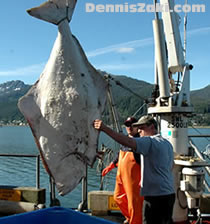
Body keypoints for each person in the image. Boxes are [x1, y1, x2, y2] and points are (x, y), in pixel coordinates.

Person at [93, 115, 175, 224]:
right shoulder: (167, 143)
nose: (139, 131)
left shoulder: (149, 142)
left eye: (142, 128)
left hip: (154, 196)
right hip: (169, 194)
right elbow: (171, 165)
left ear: (152, 127)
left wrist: (104, 128)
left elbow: (128, 142)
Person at [102, 117, 144, 224]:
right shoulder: (124, 139)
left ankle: (135, 221)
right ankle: (129, 217)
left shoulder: (140, 141)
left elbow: (145, 162)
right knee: (118, 197)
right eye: (127, 124)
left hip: (134, 179)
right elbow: (118, 156)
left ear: (137, 126)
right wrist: (110, 166)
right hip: (121, 176)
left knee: (134, 203)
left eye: (132, 124)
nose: (129, 127)